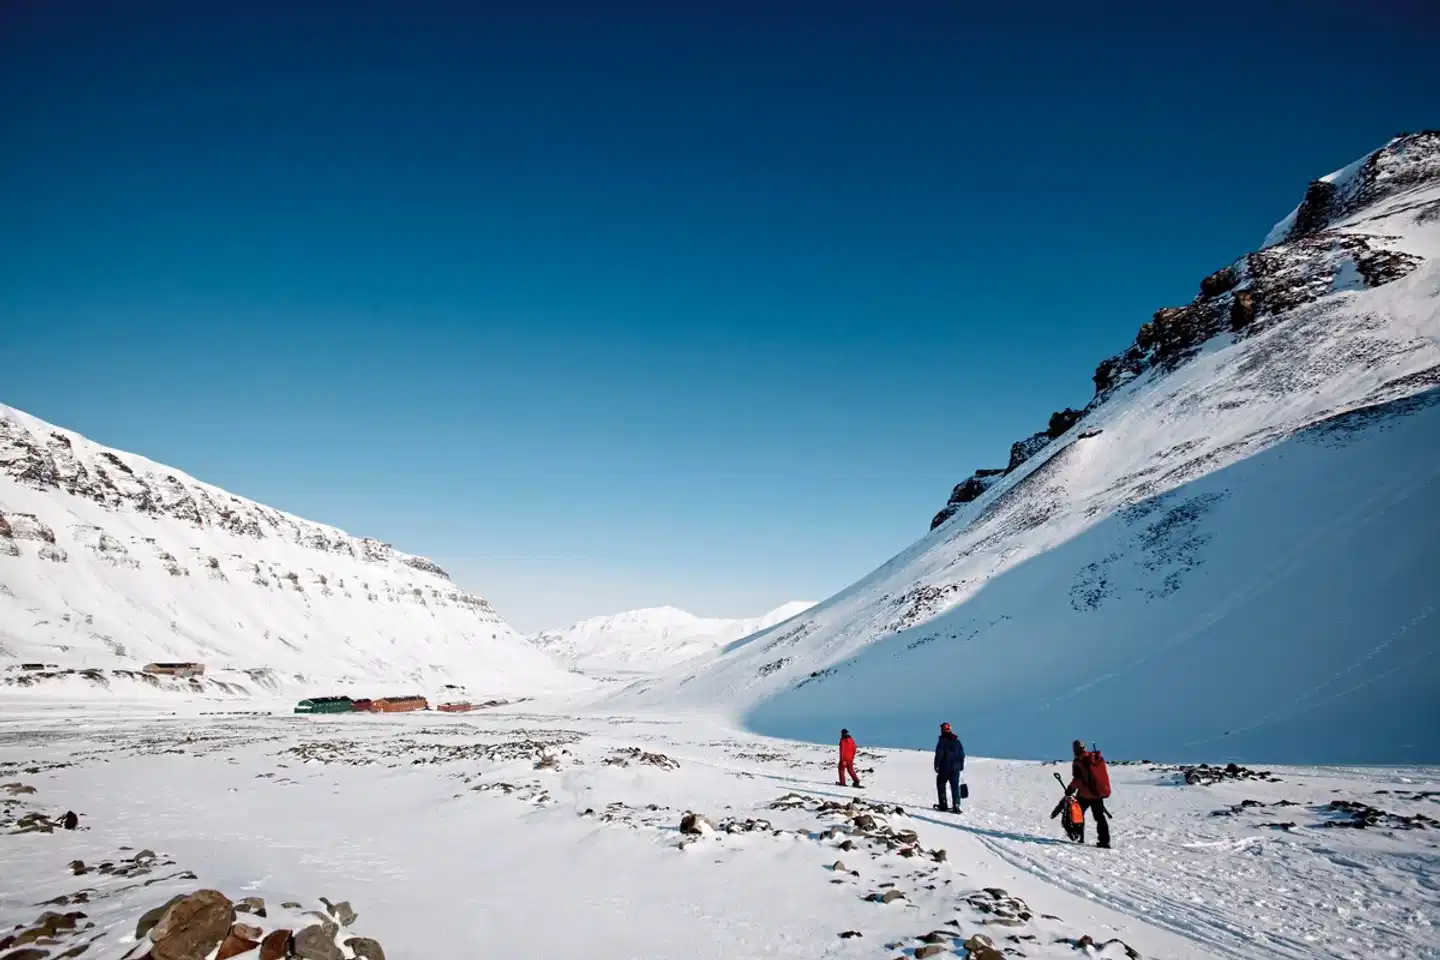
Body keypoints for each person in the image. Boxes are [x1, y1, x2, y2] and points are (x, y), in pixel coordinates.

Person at [1065, 739, 1111, 849]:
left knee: (1078, 814)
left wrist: (1070, 789)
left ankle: (1079, 837)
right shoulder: (1094, 758)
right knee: (1100, 817)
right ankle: (1104, 841)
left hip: (1085, 794)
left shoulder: (1078, 761)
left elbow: (1078, 779)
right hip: (1096, 793)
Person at [933, 722, 965, 812]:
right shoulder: (957, 742)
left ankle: (943, 804)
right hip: (955, 768)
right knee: (955, 786)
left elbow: (939, 754)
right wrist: (961, 766)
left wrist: (936, 766)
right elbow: (962, 755)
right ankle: (956, 805)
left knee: (941, 783)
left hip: (944, 768)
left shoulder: (942, 741)